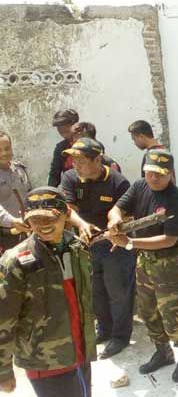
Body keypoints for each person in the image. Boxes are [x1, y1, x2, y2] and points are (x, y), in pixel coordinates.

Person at [0, 186, 96, 397]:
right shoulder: (16, 261)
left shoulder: (76, 247)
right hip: (46, 362)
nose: (42, 225)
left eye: (49, 218)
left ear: (65, 214)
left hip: (79, 351)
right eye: (35, 220)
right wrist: (2, 370)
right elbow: (3, 319)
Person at [106, 150, 178, 382]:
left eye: (160, 174)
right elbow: (117, 208)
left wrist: (130, 242)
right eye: (150, 172)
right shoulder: (139, 186)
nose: (154, 178)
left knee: (170, 309)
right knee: (147, 308)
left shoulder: (177, 200)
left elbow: (169, 239)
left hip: (167, 261)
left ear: (170, 174)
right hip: (144, 258)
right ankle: (162, 351)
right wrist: (115, 219)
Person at [60, 138, 135, 359]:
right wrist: (82, 225)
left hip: (114, 246)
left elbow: (126, 214)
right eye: (74, 160)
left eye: (81, 160)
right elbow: (68, 208)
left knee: (118, 292)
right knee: (95, 291)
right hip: (87, 244)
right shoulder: (70, 177)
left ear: (98, 159)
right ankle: (104, 330)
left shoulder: (118, 182)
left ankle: (120, 337)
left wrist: (115, 233)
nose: (76, 164)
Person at [0, 131, 32, 253]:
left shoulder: (20, 170)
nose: (4, 153)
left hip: (27, 231)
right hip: (5, 235)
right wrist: (13, 221)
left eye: (7, 148)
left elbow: (30, 195)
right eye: (0, 150)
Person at [48, 109, 80, 187]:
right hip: (72, 191)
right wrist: (49, 193)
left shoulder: (90, 143)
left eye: (64, 125)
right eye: (59, 127)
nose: (61, 129)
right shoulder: (60, 148)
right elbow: (54, 175)